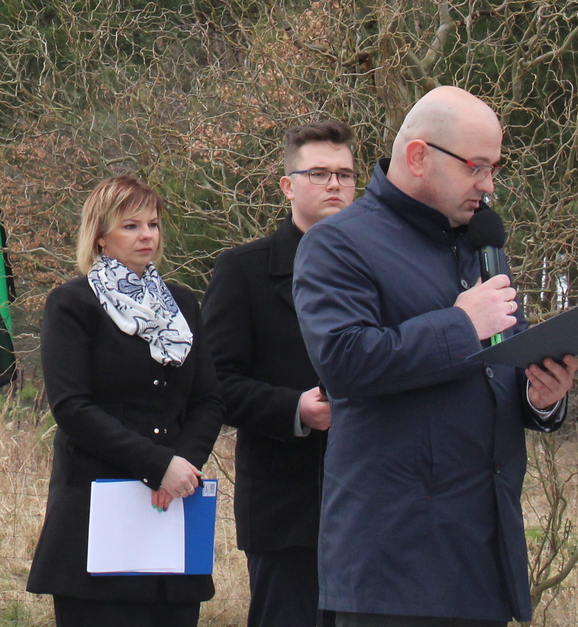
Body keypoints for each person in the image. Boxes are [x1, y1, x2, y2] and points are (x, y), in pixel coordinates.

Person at [294, 87, 578, 627]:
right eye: (476, 166)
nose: (488, 184)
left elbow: (500, 361)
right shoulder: (338, 243)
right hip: (394, 568)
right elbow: (344, 360)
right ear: (419, 156)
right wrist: (462, 325)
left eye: (494, 168)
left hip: (483, 555)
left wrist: (539, 395)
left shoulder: (481, 247)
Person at [28, 177, 224, 627]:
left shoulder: (181, 304)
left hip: (172, 508)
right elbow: (71, 407)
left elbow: (209, 400)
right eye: (131, 225)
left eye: (153, 224)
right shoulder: (72, 303)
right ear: (100, 236)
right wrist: (157, 465)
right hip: (96, 511)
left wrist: (181, 468)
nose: (146, 235)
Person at [206, 121, 356, 627]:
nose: (334, 185)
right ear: (288, 186)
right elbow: (215, 383)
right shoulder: (243, 271)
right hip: (286, 508)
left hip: (374, 508)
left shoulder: (379, 269)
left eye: (345, 175)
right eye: (319, 173)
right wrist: (295, 409)